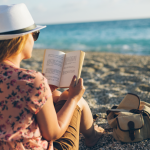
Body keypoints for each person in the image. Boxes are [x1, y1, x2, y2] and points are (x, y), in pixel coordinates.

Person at [0, 3, 104, 150]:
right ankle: (92, 136)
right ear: (22, 39)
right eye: (34, 34)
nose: (34, 40)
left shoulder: (31, 82)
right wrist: (74, 98)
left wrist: (45, 90)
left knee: (55, 95)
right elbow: (53, 134)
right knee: (69, 97)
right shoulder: (31, 80)